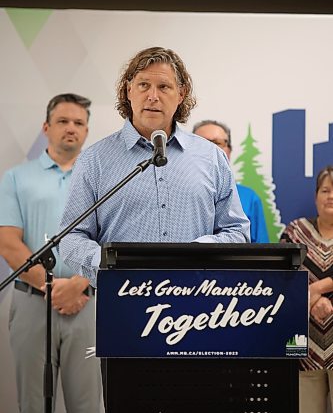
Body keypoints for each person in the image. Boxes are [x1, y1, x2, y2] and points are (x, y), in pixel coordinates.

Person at [58, 46, 250, 289]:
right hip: (121, 300)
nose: (152, 96)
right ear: (129, 90)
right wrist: (109, 264)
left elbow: (236, 232)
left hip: (197, 299)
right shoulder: (94, 160)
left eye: (164, 87)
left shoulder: (212, 157)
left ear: (181, 93)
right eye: (143, 85)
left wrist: (199, 254)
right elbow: (71, 238)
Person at [0, 94, 102, 413]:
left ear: (87, 131)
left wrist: (80, 285)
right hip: (32, 305)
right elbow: (8, 242)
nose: (71, 128)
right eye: (63, 121)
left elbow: (110, 241)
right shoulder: (15, 179)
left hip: (88, 304)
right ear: (46, 127)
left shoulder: (100, 181)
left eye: (78, 123)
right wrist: (52, 286)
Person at [280, 165, 333, 413]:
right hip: (301, 343)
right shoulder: (296, 231)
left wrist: (318, 288)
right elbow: (282, 277)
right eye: (325, 190)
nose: (331, 197)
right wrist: (311, 298)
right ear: (315, 197)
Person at [193, 119, 269, 243]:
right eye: (203, 142)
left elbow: (262, 250)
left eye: (217, 143)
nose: (211, 149)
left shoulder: (249, 197)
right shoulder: (176, 193)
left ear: (229, 151)